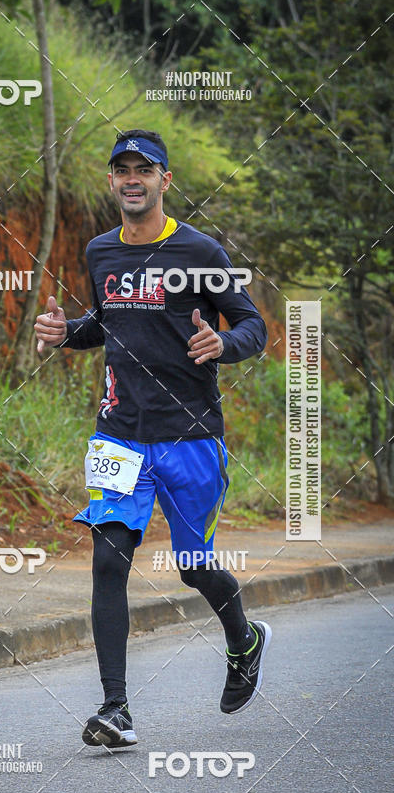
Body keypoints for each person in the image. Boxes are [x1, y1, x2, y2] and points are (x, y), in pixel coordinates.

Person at [34, 129, 272, 749]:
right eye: (122, 169)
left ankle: (244, 640)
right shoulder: (100, 252)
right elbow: (109, 325)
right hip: (119, 437)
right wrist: (67, 332)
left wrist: (223, 344)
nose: (132, 178)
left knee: (195, 568)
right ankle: (116, 709)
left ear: (166, 180)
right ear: (111, 181)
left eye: (145, 168)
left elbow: (253, 325)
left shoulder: (200, 252)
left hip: (190, 436)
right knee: (109, 562)